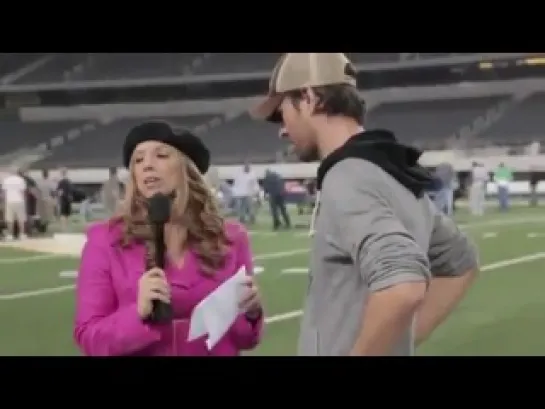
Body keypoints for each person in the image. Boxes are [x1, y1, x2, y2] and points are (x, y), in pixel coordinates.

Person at [251, 53, 479, 356]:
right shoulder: (390, 169)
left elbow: (402, 286)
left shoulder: (348, 176)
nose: (282, 129)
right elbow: (461, 262)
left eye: (282, 113)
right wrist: (397, 343)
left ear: (307, 98)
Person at [73, 121, 264, 356]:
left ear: (187, 169)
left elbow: (243, 339)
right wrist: (137, 313)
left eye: (161, 155)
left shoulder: (230, 238)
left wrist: (251, 312)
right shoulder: (106, 241)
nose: (148, 165)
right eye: (138, 160)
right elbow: (90, 339)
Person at [1, 167, 27, 240]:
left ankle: (10, 235)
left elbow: (4, 193)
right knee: (21, 219)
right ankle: (22, 234)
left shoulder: (6, 180)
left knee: (10, 219)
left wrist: (4, 201)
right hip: (19, 200)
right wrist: (24, 200)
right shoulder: (21, 180)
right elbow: (23, 192)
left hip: (9, 201)